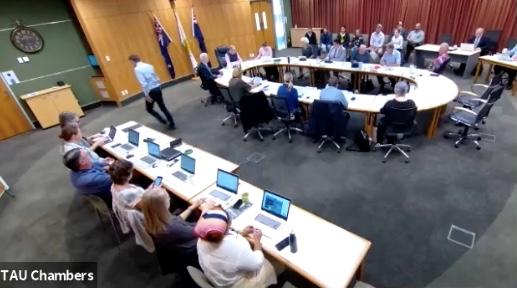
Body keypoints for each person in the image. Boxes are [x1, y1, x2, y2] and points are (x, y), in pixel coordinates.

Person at [195, 207, 278, 287]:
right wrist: (257, 241)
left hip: (217, 279)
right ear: (228, 225)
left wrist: (241, 233)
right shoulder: (236, 247)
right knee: (272, 264)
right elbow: (257, 264)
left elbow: (219, 238)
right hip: (236, 284)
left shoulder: (201, 240)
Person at [142, 185, 204, 270]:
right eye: (168, 199)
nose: (169, 200)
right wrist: (205, 210)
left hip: (178, 247)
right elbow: (200, 230)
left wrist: (191, 208)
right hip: (193, 249)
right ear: (163, 206)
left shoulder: (151, 220)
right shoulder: (172, 228)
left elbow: (176, 219)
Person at [129, 54, 176, 130]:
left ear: (133, 61)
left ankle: (162, 120)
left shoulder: (137, 69)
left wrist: (146, 95)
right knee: (163, 107)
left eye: (131, 63)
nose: (131, 64)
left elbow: (144, 84)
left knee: (149, 109)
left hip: (151, 91)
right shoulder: (149, 65)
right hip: (157, 88)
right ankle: (172, 123)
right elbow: (156, 77)